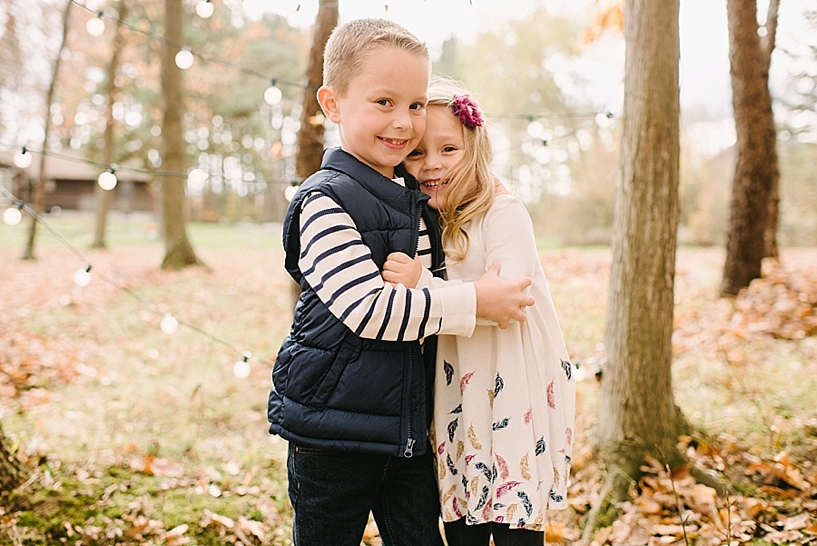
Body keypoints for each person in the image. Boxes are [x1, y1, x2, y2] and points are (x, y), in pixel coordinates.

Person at [266, 20, 536, 546]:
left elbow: (426, 291)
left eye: (414, 105)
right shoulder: (325, 200)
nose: (403, 122)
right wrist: (476, 301)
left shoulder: (413, 200)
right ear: (333, 103)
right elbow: (370, 310)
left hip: (408, 433)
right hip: (333, 435)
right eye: (384, 102)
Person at [383, 77, 576, 546]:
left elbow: (504, 300)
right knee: (464, 513)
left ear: (474, 147)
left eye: (448, 149)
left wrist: (421, 284)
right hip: (459, 382)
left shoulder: (502, 211)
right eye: (417, 153)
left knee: (511, 513)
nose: (431, 164)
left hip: (511, 381)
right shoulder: (432, 221)